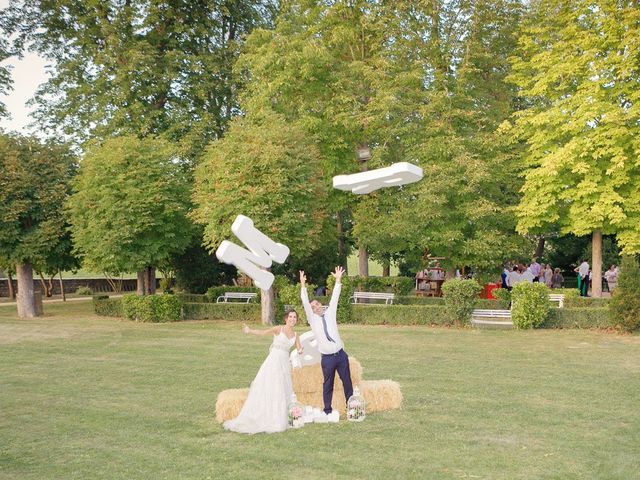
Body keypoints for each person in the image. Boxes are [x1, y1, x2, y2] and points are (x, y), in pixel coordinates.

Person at [223, 310, 303, 434]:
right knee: (270, 386)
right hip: (274, 361)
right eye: (290, 317)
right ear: (286, 319)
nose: (292, 319)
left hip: (284, 363)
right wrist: (250, 331)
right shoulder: (279, 329)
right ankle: (264, 415)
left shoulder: (296, 334)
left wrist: (301, 350)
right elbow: (263, 333)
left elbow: (299, 348)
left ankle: (279, 417)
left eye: (295, 317)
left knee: (282, 387)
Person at [300, 266, 353, 415]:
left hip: (341, 355)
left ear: (320, 305)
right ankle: (327, 410)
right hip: (328, 359)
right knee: (327, 384)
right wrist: (303, 286)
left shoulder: (330, 313)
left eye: (316, 304)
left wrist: (338, 280)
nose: (315, 307)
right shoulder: (312, 320)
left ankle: (351, 406)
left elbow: (335, 297)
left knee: (347, 381)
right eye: (313, 306)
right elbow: (305, 303)